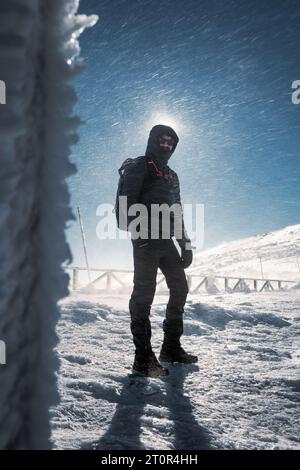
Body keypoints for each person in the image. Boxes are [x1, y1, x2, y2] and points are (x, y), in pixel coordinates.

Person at [121, 124, 197, 377]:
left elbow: (177, 212)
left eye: (170, 143)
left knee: (180, 288)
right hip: (145, 239)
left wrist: (184, 243)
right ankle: (142, 358)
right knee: (144, 294)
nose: (166, 146)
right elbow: (124, 207)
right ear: (153, 141)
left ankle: (171, 348)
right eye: (162, 141)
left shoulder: (172, 176)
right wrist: (138, 232)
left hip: (166, 241)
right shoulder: (138, 166)